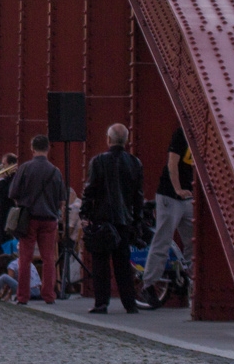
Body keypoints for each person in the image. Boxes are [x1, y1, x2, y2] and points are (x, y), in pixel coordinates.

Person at [81, 123, 143, 314]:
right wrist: (137, 220)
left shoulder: (98, 161)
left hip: (102, 219)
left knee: (100, 263)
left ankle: (101, 303)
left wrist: (85, 213)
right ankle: (129, 303)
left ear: (108, 140)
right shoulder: (135, 163)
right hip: (124, 220)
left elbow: (90, 190)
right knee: (123, 264)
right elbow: (137, 195)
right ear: (126, 141)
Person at [140, 124, 196, 309]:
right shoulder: (182, 132)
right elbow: (172, 162)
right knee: (163, 240)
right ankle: (148, 284)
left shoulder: (203, 135)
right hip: (170, 196)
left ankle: (189, 277)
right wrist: (177, 188)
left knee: (194, 241)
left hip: (188, 196)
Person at [8, 134, 64, 305]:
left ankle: (22, 296)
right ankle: (49, 295)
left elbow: (13, 193)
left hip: (29, 218)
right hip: (49, 219)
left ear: (32, 149)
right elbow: (61, 199)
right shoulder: (55, 171)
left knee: (25, 257)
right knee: (48, 258)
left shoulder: (25, 168)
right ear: (48, 148)